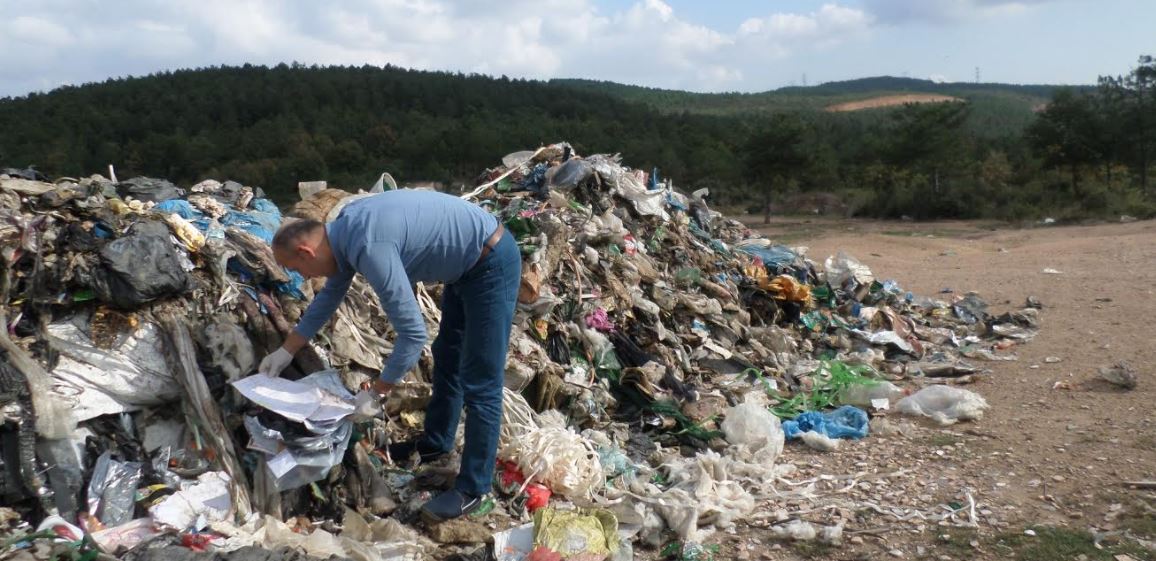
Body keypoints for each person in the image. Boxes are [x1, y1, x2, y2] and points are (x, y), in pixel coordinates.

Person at [258, 189, 520, 521]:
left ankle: (474, 489)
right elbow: (328, 299)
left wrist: (379, 391)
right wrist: (286, 350)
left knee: (481, 380)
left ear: (305, 251)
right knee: (448, 354)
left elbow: (412, 337)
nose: (304, 278)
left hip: (490, 263)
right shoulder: (342, 232)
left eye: (297, 269)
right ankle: (436, 443)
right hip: (465, 267)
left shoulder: (369, 247)